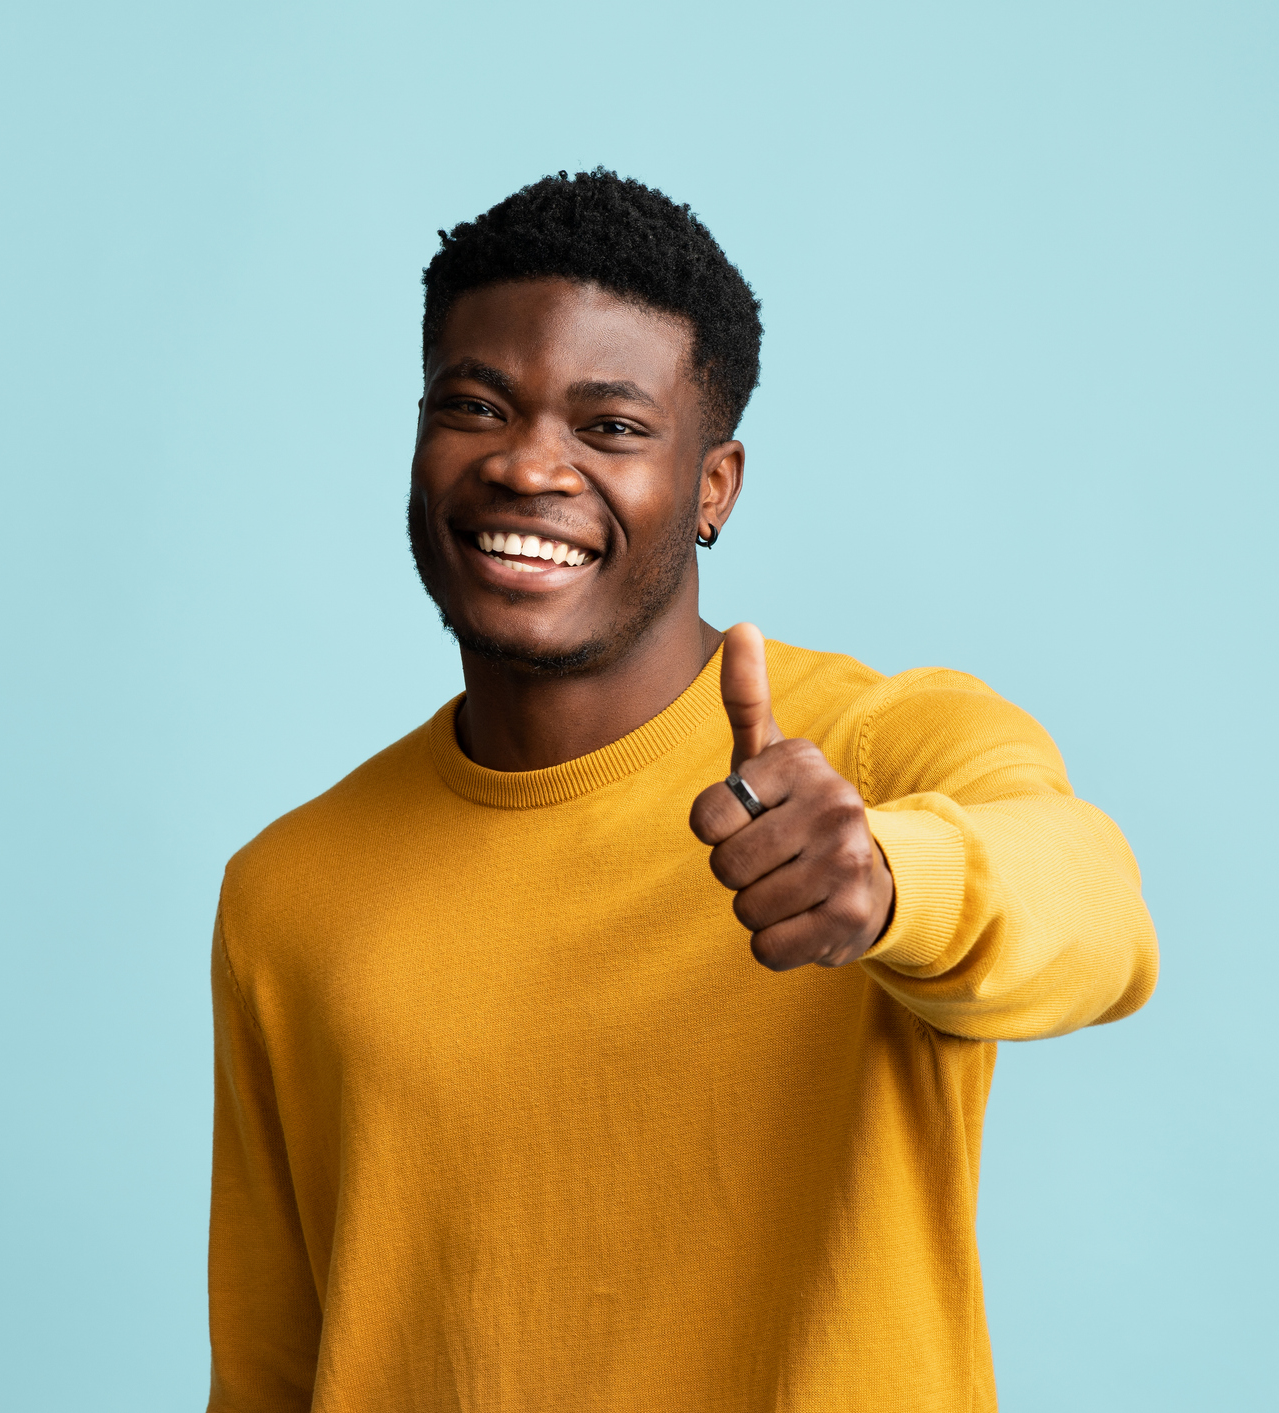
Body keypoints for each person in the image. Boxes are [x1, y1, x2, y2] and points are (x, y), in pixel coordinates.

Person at [207, 168, 1159, 1412]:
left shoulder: (870, 755)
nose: (527, 467)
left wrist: (886, 884)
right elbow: (272, 1371)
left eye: (608, 426)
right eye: (476, 405)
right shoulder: (288, 892)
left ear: (713, 487)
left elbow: (1098, 917)